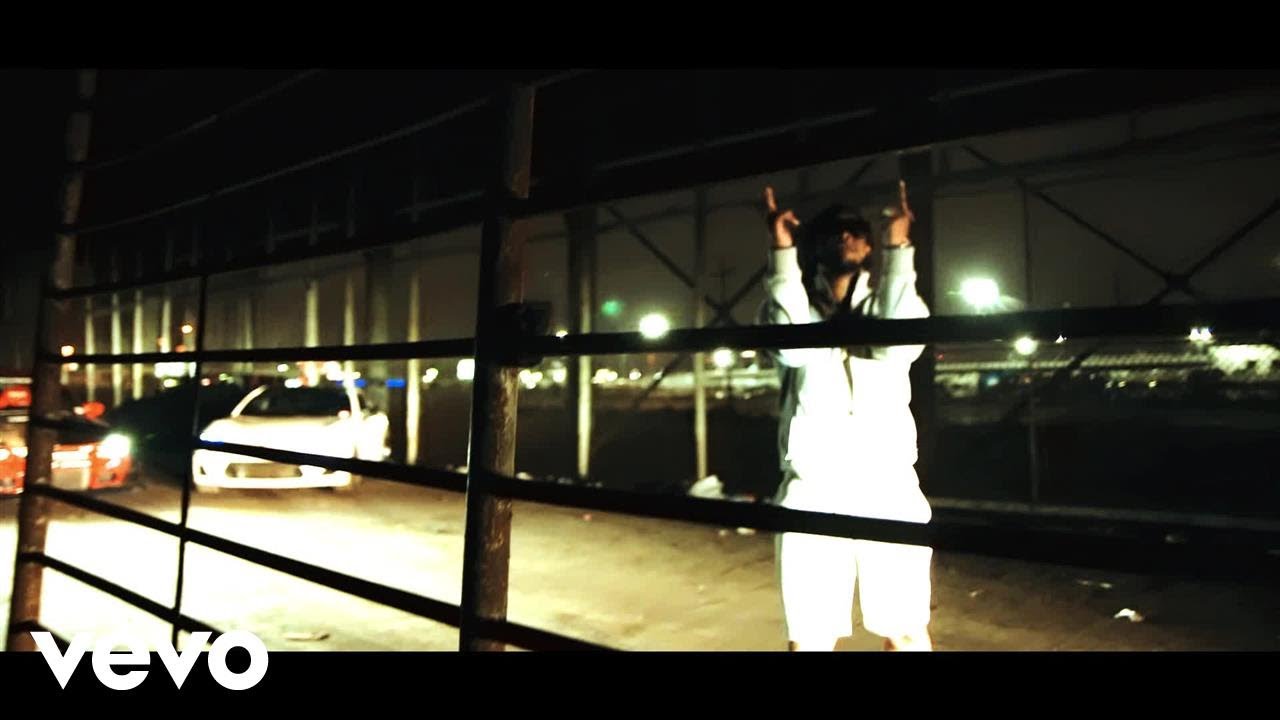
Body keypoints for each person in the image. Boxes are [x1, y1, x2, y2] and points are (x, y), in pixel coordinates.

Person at [756, 180, 935, 651]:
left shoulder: (893, 302)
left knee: (906, 630)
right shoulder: (791, 305)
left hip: (890, 485)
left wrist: (899, 248)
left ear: (870, 245)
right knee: (809, 638)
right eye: (832, 231)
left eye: (856, 229)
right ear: (812, 248)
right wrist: (781, 252)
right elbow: (790, 347)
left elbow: (899, 344)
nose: (845, 236)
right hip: (812, 486)